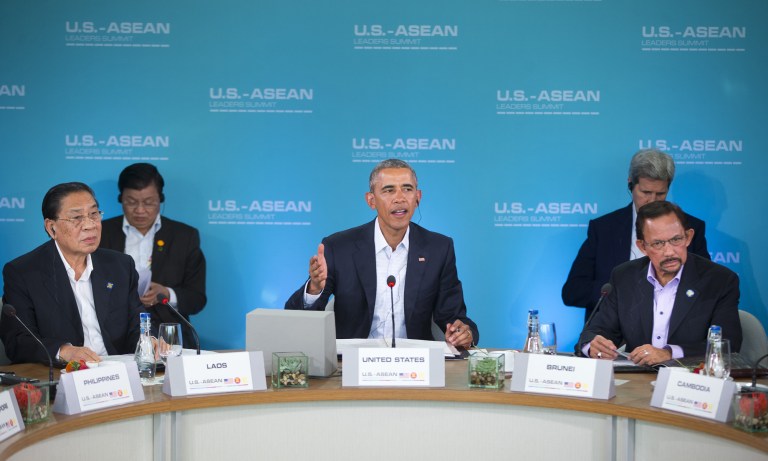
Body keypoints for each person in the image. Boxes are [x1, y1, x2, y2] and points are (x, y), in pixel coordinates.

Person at [285, 159, 478, 348]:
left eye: (407, 189)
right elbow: (296, 317)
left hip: (415, 364)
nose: (400, 198)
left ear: (418, 197)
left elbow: (453, 317)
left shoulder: (438, 248)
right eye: (389, 190)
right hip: (350, 364)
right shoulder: (339, 247)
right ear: (371, 200)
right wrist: (314, 289)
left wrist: (464, 333)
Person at [577, 201, 741, 365]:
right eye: (658, 243)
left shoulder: (719, 280)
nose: (669, 252)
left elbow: (728, 345)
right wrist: (594, 345)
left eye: (676, 239)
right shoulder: (624, 276)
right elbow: (597, 330)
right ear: (642, 247)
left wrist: (669, 353)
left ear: (689, 237)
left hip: (690, 381)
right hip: (637, 380)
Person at [0, 182, 144, 364]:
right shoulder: (24, 272)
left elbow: (138, 323)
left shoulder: (121, 265)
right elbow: (18, 341)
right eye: (76, 217)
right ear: (52, 228)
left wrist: (150, 341)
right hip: (63, 375)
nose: (89, 225)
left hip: (118, 373)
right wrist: (64, 351)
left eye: (94, 214)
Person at [562, 149, 710, 323]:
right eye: (646, 193)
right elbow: (573, 291)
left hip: (672, 333)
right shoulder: (604, 229)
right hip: (612, 336)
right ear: (630, 184)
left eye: (660, 194)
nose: (653, 201)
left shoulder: (691, 227)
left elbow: (704, 286)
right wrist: (623, 293)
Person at [100, 163, 206, 343]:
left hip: (167, 333)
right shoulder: (100, 233)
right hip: (113, 333)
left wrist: (166, 293)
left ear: (161, 199)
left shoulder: (184, 236)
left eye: (148, 202)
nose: (140, 210)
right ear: (120, 199)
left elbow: (196, 299)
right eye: (131, 202)